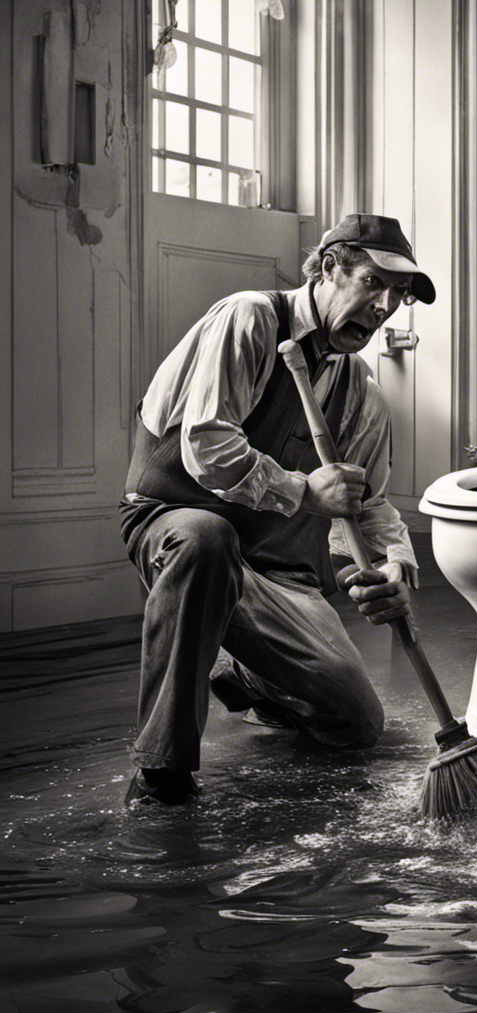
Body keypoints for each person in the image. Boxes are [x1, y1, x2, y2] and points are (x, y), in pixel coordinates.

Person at [119, 214, 435, 806]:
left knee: (356, 724)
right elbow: (207, 445)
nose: (385, 305)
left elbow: (371, 505)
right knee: (206, 538)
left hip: (277, 573)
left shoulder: (359, 388)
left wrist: (393, 564)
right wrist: (305, 493)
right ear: (331, 266)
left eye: (399, 294)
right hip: (175, 523)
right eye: (374, 282)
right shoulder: (251, 318)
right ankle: (162, 772)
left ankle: (239, 671)